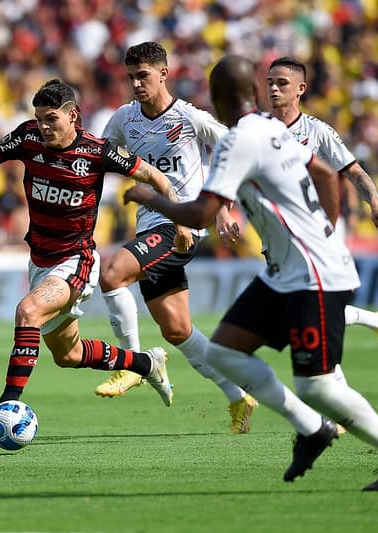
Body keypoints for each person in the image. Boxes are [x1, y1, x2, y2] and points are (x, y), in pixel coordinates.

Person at [123, 55, 378, 491]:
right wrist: (328, 227)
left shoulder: (239, 139)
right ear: (254, 90)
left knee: (318, 387)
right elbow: (324, 174)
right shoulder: (271, 128)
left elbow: (201, 211)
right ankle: (312, 429)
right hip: (287, 270)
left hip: (311, 272)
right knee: (225, 352)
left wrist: (148, 197)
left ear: (218, 97)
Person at [0, 79, 176, 442]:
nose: (44, 127)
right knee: (70, 355)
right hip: (40, 263)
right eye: (40, 119)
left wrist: (177, 215)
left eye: (52, 119)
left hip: (76, 261)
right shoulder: (27, 138)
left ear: (73, 115)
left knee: (27, 312)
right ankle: (145, 363)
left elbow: (154, 176)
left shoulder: (98, 151)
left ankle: (5, 407)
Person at [93, 41, 259, 433]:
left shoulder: (189, 118)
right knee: (178, 330)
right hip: (150, 226)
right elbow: (98, 157)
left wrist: (221, 207)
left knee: (112, 273)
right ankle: (238, 396)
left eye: (143, 76)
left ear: (164, 73)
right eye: (131, 77)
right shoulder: (123, 120)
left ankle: (132, 364)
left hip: (182, 226)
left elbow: (232, 151)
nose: (136, 84)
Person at [255, 56, 378, 360]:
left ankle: (324, 391)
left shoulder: (317, 132)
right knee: (296, 309)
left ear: (301, 89)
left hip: (311, 229)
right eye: (269, 82)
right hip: (274, 229)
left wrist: (376, 203)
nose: (273, 89)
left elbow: (354, 171)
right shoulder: (257, 129)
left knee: (304, 310)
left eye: (281, 83)